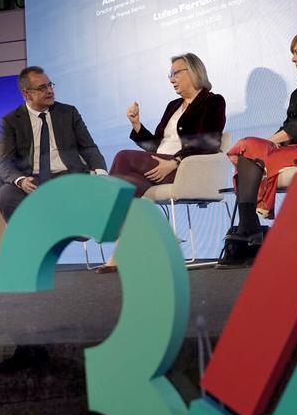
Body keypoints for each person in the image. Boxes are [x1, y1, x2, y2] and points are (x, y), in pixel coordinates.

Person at [217, 29, 297, 267]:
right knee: (250, 151)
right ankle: (250, 227)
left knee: (249, 147)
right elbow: (288, 126)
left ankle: (249, 228)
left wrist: (271, 142)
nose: (293, 59)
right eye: (292, 53)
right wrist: (271, 143)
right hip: (291, 149)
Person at [96, 53, 227, 273]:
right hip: (156, 166)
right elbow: (156, 145)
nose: (171, 79)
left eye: (176, 73)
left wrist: (176, 161)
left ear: (194, 72)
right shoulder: (173, 106)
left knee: (122, 158)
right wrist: (137, 125)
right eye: (170, 74)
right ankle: (121, 250)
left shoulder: (212, 101)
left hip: (183, 168)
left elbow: (211, 141)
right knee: (123, 184)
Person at [0, 66, 107, 222]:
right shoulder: (11, 121)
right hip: (32, 181)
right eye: (42, 88)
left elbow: (88, 148)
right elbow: (5, 162)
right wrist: (20, 180)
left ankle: (70, 224)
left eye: (50, 85)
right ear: (26, 94)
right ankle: (30, 236)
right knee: (5, 196)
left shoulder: (68, 113)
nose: (49, 91)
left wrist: (101, 173)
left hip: (67, 177)